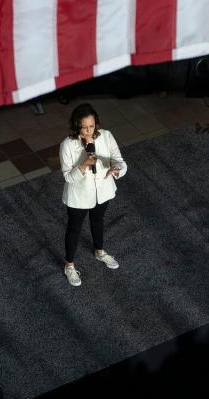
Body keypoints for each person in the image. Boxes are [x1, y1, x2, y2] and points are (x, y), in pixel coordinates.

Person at [59, 103, 126, 286]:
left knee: (98, 221)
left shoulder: (106, 136)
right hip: (78, 196)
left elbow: (119, 160)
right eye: (84, 127)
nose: (89, 131)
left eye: (92, 125)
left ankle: (100, 252)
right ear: (76, 126)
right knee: (74, 228)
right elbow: (68, 177)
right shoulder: (67, 145)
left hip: (102, 191)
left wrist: (117, 169)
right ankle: (69, 265)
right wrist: (83, 164)